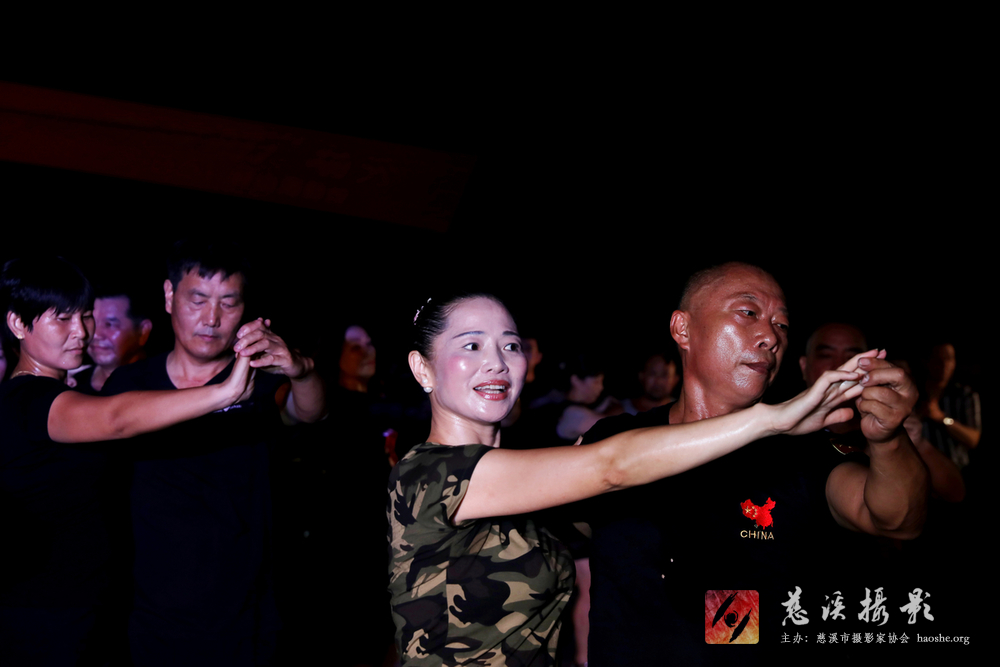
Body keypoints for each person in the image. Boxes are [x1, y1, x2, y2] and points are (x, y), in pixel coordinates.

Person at [386, 289, 876, 666]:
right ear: (422, 369)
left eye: (510, 345)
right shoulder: (426, 474)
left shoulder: (532, 478)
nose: (496, 361)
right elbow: (611, 466)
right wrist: (772, 419)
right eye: (471, 345)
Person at [581, 263, 928, 665]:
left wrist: (887, 438)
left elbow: (897, 520)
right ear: (683, 329)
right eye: (748, 313)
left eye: (781, 325)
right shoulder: (615, 442)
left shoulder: (799, 448)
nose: (771, 337)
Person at [0, 256, 253, 665]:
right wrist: (225, 392)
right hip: (46, 617)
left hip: (87, 609)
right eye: (62, 319)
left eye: (85, 315)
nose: (81, 331)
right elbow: (116, 419)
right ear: (17, 324)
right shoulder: (26, 401)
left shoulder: (67, 391)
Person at [102, 240, 326, 666]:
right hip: (146, 611)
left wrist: (302, 370)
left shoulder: (260, 381)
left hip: (243, 615)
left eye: (228, 302)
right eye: (198, 299)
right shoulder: (129, 384)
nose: (212, 318)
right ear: (169, 295)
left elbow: (309, 412)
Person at [69, 287, 153, 394]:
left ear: (143, 331)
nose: (96, 335)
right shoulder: (71, 386)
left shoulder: (163, 388)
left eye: (109, 324)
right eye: (91, 322)